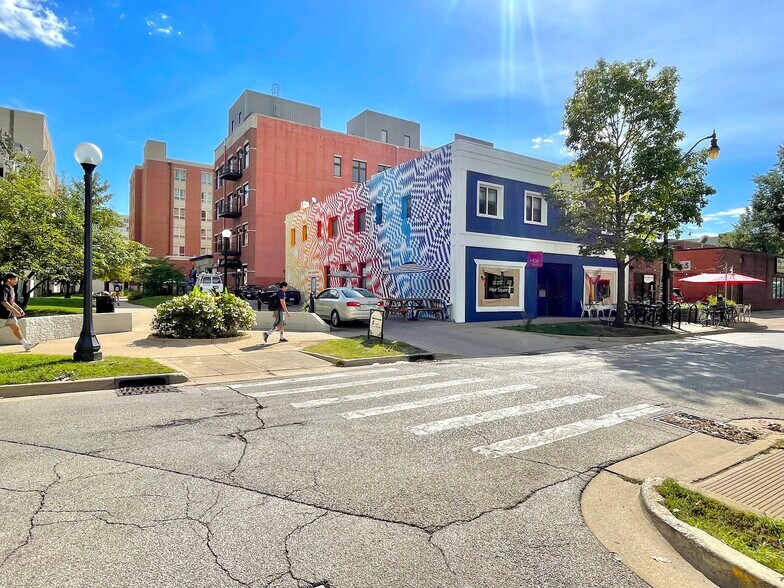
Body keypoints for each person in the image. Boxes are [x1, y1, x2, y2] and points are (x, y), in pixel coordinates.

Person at [1, 273, 38, 351]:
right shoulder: (4, 288)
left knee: (16, 328)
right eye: (14, 279)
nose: (16, 281)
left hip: (9, 314)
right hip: (2, 314)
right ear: (9, 279)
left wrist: (19, 309)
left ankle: (26, 345)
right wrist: (14, 311)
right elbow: (3, 302)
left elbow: (12, 302)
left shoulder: (11, 289)